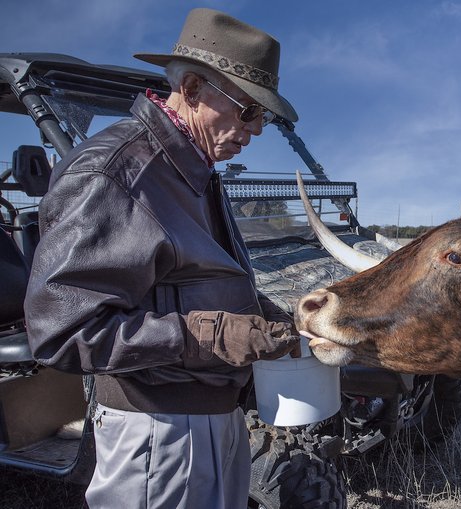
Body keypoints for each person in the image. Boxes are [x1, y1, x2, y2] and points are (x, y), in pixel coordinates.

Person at [23, 8, 300, 508]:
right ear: (192, 88)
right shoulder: (117, 175)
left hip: (209, 419)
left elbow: (191, 276)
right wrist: (217, 336)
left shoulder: (192, 171)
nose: (255, 130)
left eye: (265, 116)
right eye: (249, 110)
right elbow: (65, 332)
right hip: (160, 431)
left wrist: (262, 311)